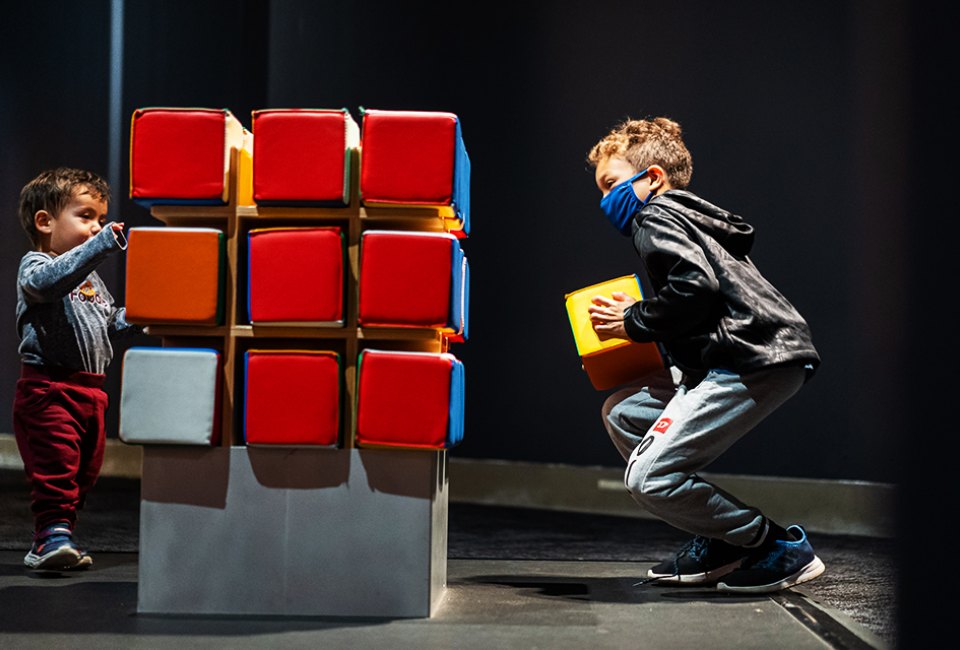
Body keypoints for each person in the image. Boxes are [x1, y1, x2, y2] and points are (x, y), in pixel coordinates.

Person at [585, 117, 824, 593]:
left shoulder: (655, 215)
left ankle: (771, 545)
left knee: (647, 478)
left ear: (651, 177)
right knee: (625, 414)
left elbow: (694, 288)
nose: (604, 200)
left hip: (749, 357)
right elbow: (704, 299)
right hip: (752, 354)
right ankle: (721, 540)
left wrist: (633, 320)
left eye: (611, 184)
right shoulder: (686, 216)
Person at [12, 167, 139, 571]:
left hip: (91, 392)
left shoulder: (91, 280)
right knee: (57, 468)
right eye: (85, 216)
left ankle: (58, 533)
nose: (96, 227)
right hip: (49, 389)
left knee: (85, 471)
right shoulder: (36, 263)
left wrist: (144, 313)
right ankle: (50, 537)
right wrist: (102, 245)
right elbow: (47, 284)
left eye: (100, 219)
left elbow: (108, 323)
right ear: (45, 222)